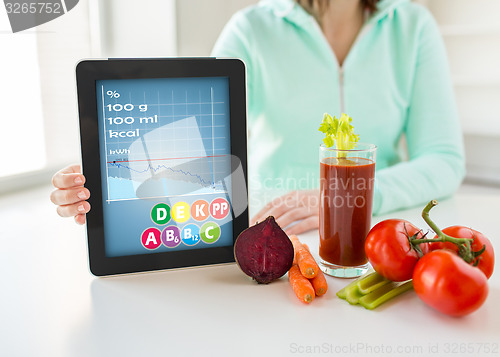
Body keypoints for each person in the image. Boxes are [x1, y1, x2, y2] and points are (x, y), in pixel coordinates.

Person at [50, 0, 465, 234]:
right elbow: (196, 145)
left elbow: (443, 158)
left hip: (376, 231)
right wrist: (107, 179)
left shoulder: (412, 26)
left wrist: (345, 202)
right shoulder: (249, 31)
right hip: (274, 230)